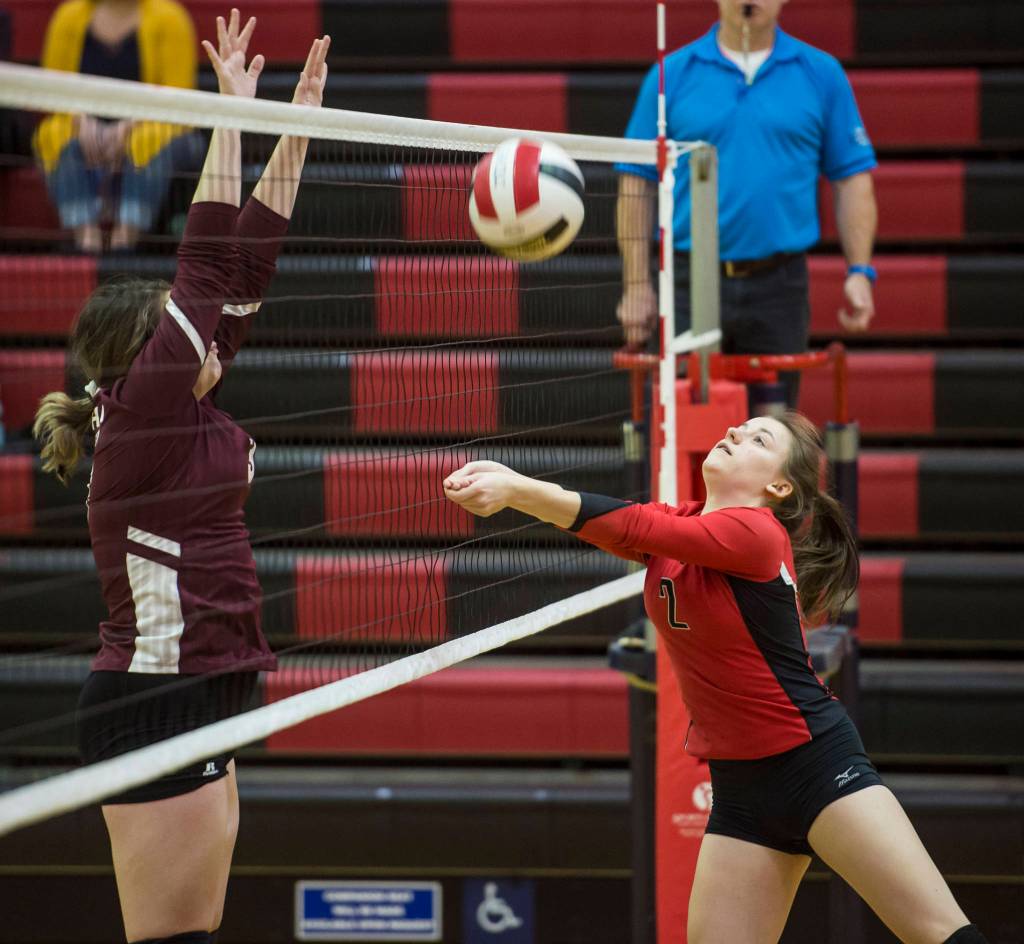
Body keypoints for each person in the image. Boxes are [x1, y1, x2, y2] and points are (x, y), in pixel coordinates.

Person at [442, 414, 988, 944]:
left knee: (937, 933)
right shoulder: (682, 526)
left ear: (777, 485)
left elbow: (633, 525)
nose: (733, 432)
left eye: (757, 439)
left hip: (818, 766)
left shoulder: (757, 533)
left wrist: (517, 488)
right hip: (741, 792)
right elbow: (620, 525)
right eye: (742, 427)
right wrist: (512, 492)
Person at [32, 13, 330, 942]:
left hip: (204, 683)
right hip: (154, 696)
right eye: (175, 326)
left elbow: (244, 267)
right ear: (141, 354)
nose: (203, 335)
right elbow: (204, 264)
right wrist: (227, 114)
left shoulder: (177, 400)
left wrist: (298, 126)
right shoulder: (142, 412)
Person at [615, 0, 878, 407]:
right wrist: (636, 285)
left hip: (779, 284)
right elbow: (637, 181)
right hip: (688, 281)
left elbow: (852, 180)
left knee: (771, 434)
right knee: (682, 422)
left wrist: (859, 271)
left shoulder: (821, 74)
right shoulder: (672, 75)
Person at [33, 0, 205, 253]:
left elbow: (179, 98)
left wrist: (131, 125)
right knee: (52, 133)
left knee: (147, 139)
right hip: (83, 126)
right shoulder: (68, 17)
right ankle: (85, 238)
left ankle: (125, 240)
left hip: (158, 124)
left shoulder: (170, 18)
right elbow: (51, 91)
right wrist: (77, 119)